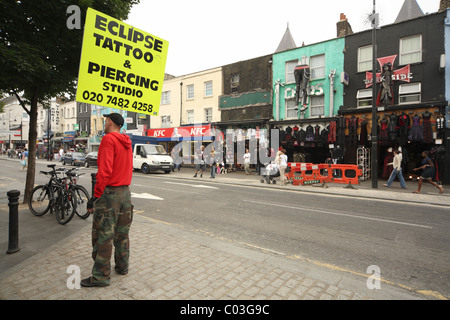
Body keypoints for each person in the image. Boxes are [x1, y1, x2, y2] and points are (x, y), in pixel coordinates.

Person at [81, 113, 133, 288]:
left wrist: (95, 196)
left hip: (110, 193)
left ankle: (101, 277)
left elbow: (104, 171)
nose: (105, 123)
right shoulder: (126, 141)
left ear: (110, 122)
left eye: (106, 120)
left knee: (103, 234)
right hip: (126, 192)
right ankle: (122, 266)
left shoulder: (108, 140)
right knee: (122, 233)